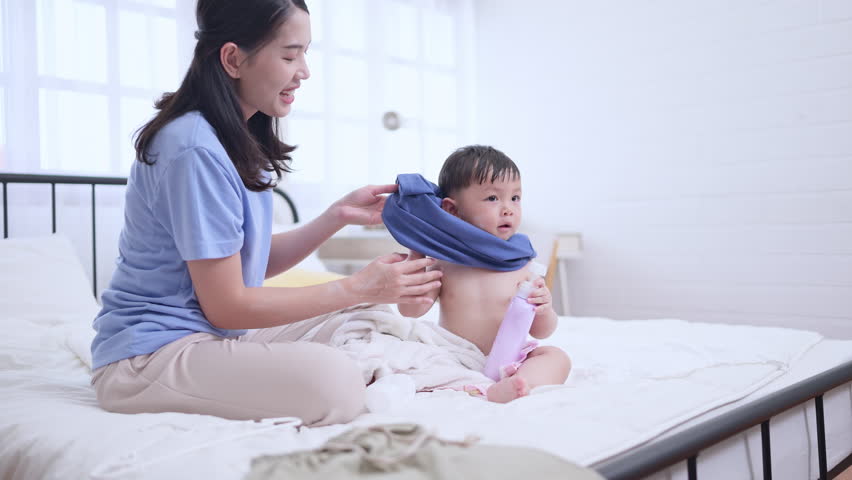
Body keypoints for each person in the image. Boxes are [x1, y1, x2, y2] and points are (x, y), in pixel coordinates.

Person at [90, 0, 442, 427]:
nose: (305, 71)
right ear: (233, 59)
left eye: (305, 54)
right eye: (290, 55)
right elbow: (228, 305)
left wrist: (336, 216)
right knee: (334, 381)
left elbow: (243, 265)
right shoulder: (193, 149)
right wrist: (359, 285)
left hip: (213, 336)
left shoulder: (233, 141)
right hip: (148, 357)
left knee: (362, 319)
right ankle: (357, 377)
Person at [397, 145, 571, 403]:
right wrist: (417, 254)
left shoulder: (521, 262)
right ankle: (476, 386)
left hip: (510, 358)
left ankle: (518, 383)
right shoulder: (445, 262)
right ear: (452, 210)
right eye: (492, 198)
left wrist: (544, 309)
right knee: (414, 360)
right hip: (455, 356)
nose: (508, 208)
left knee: (555, 357)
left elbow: (542, 331)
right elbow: (411, 312)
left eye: (515, 198)